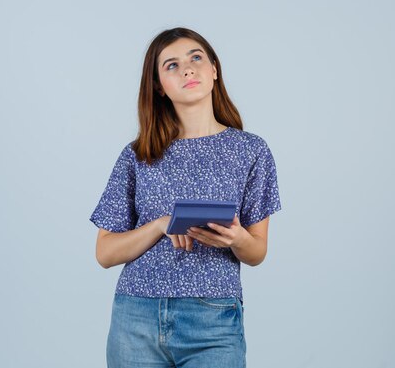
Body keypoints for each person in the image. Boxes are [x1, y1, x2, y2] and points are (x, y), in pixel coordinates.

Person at [89, 27, 281, 368]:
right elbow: (104, 253)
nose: (188, 69)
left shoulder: (251, 151)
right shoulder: (138, 155)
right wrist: (159, 225)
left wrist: (237, 238)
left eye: (196, 58)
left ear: (214, 70)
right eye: (171, 65)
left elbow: (257, 252)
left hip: (213, 319)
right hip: (136, 316)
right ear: (159, 87)